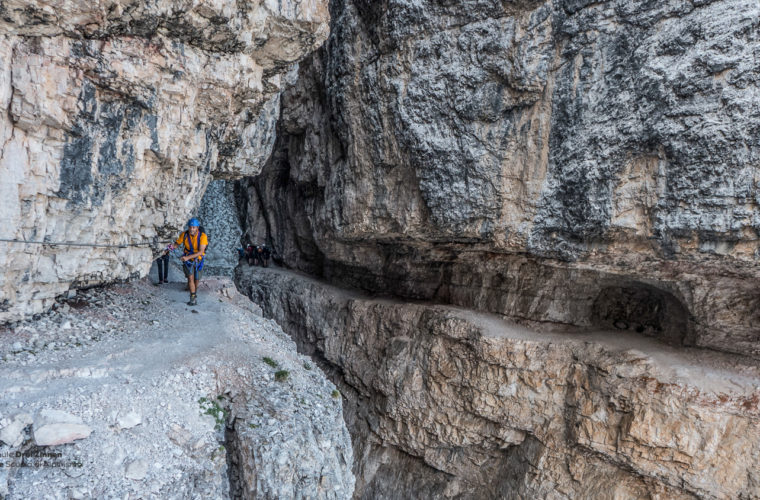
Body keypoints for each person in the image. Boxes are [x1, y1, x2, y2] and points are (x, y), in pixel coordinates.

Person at [175, 218, 207, 306]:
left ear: (197, 228)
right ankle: (192, 297)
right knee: (190, 278)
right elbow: (177, 244)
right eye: (190, 227)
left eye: (193, 227)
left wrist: (187, 257)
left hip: (198, 259)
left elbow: (200, 252)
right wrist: (169, 248)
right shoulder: (184, 235)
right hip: (188, 260)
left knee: (197, 279)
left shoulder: (203, 236)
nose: (191, 229)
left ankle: (194, 292)